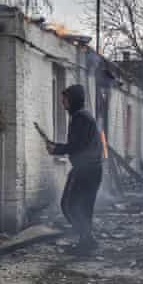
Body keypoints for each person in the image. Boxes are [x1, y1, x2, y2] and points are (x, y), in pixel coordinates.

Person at [45, 84, 103, 254]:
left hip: (85, 170)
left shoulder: (80, 118)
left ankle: (86, 240)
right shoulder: (83, 117)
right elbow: (79, 144)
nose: (63, 104)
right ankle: (86, 242)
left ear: (73, 100)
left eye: (65, 100)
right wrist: (57, 147)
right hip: (90, 170)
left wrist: (56, 149)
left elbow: (77, 145)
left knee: (69, 206)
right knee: (83, 207)